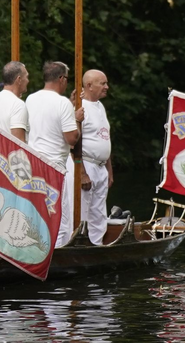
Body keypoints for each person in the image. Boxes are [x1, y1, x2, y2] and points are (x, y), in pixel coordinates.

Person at [26, 61, 83, 247]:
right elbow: (72, 139)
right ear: (61, 79)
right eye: (66, 79)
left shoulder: (30, 99)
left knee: (37, 211)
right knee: (60, 216)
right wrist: (77, 119)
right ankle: (57, 255)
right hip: (54, 166)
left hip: (33, 164)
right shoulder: (62, 102)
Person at [75, 69, 113, 246]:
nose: (107, 87)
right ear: (89, 86)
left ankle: (96, 246)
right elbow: (74, 141)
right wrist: (81, 172)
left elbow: (104, 138)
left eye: (106, 83)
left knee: (99, 213)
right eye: (102, 83)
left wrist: (109, 170)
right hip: (87, 165)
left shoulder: (99, 106)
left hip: (101, 167)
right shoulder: (80, 107)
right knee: (82, 211)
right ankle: (79, 246)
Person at [0, 61, 30, 142]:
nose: (28, 81)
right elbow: (18, 145)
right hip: (9, 154)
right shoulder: (18, 105)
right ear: (19, 79)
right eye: (26, 77)